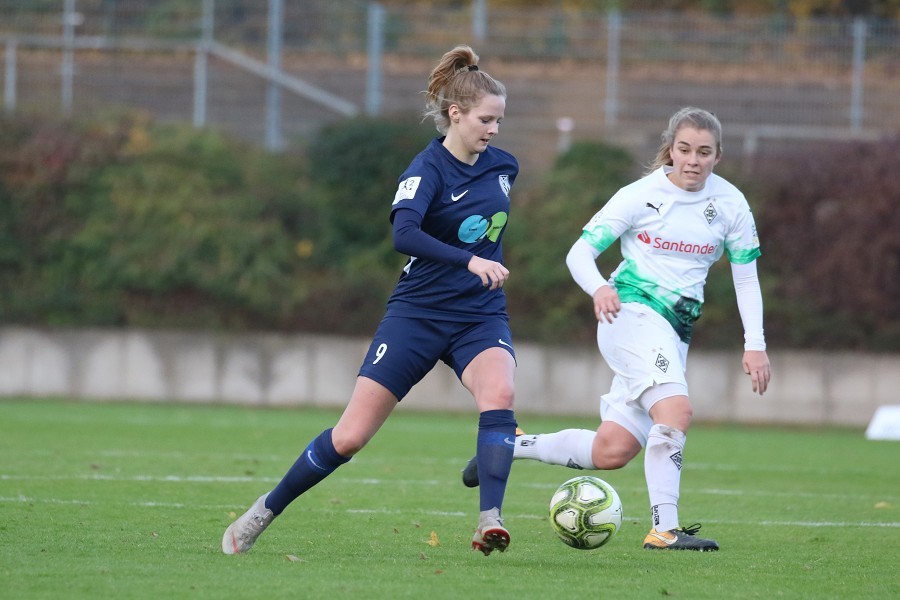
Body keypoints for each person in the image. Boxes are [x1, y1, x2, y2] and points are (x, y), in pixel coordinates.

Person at [222, 45, 520, 556]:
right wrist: (468, 261)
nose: (493, 130)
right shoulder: (426, 169)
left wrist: (478, 267)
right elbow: (404, 235)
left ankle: (489, 519)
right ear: (456, 114)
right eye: (485, 119)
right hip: (417, 315)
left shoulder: (505, 167)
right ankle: (264, 509)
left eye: (499, 121)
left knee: (500, 396)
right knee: (350, 437)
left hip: (478, 314)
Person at [462, 107, 771, 551]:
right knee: (677, 412)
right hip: (629, 317)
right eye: (684, 149)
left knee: (613, 450)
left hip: (673, 332)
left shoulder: (731, 204)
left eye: (704, 152)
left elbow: (746, 277)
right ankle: (664, 530)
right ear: (671, 149)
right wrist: (598, 289)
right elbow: (579, 254)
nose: (693, 160)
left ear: (718, 156)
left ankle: (508, 447)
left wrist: (755, 345)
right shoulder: (640, 195)